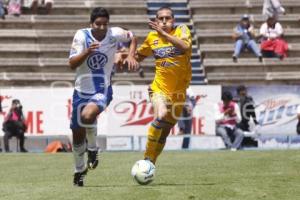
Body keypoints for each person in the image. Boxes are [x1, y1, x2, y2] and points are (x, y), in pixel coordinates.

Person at [68, 7, 138, 187]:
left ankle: (92, 149)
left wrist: (130, 54)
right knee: (77, 134)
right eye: (97, 24)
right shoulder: (81, 36)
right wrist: (87, 52)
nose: (101, 28)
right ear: (91, 24)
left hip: (102, 89)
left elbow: (132, 36)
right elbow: (72, 64)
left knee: (87, 116)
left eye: (104, 24)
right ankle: (79, 171)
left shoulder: (114, 34)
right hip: (80, 91)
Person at [136, 6, 192, 164]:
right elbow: (138, 57)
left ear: (173, 20)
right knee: (160, 115)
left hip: (179, 92)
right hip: (159, 88)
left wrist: (164, 34)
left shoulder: (182, 30)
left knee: (166, 131)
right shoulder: (152, 37)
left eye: (168, 18)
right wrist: (125, 57)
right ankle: (147, 157)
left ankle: (151, 163)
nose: (164, 21)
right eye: (160, 18)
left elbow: (185, 47)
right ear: (156, 21)